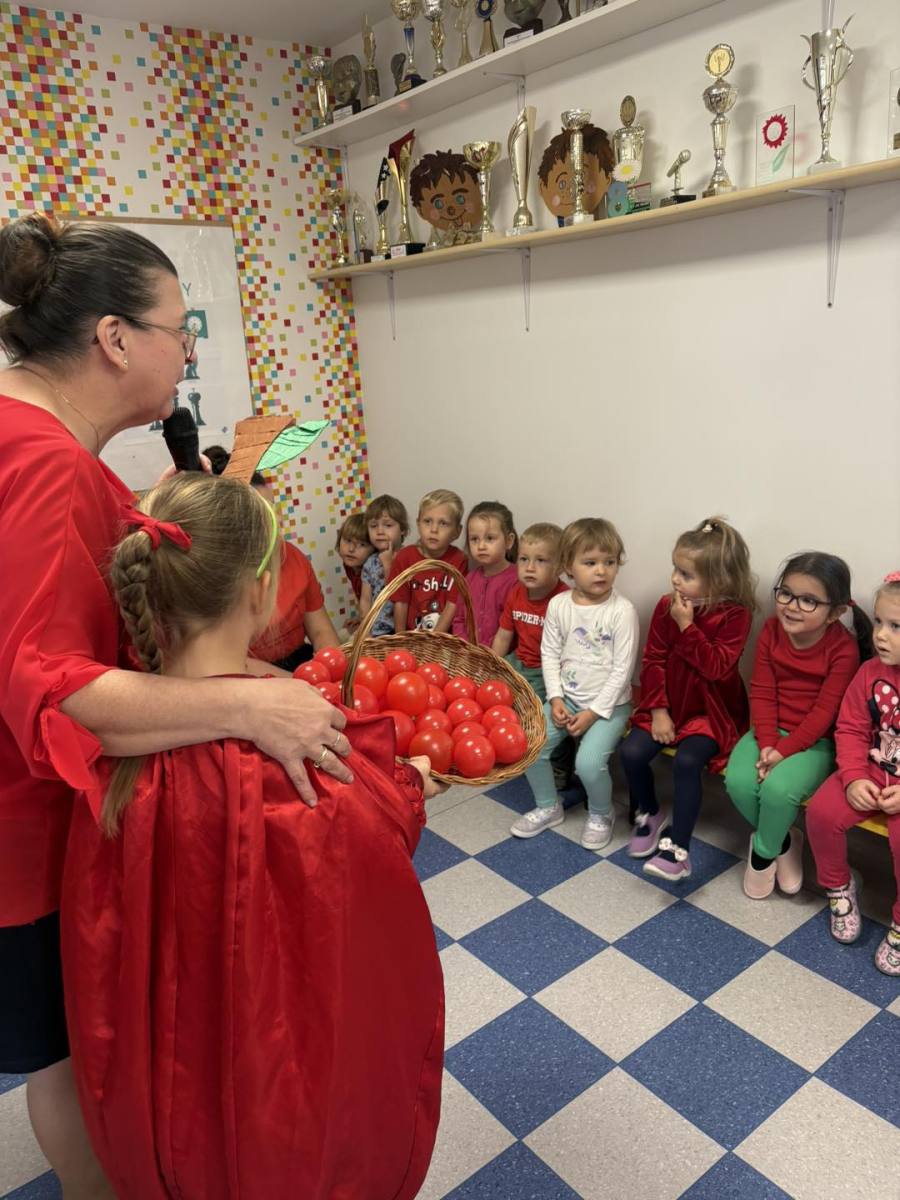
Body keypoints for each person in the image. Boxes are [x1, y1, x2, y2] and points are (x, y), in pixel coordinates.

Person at [0, 213, 350, 1198]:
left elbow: (107, 563)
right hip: (22, 841)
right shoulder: (45, 462)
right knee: (66, 1060)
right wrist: (252, 711)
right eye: (178, 329)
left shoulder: (36, 441)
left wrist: (195, 499)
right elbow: (58, 691)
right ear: (116, 339)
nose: (188, 350)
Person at [61, 473, 445, 1198]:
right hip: (273, 1066)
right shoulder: (298, 752)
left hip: (166, 1088)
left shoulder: (111, 752)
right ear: (261, 592)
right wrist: (411, 782)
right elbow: (374, 853)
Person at [725, 553, 870, 899]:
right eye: (786, 593)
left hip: (816, 743)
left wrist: (783, 751)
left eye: (808, 601)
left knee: (777, 791)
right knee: (739, 782)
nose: (791, 606)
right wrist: (767, 743)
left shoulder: (843, 649)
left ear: (835, 612)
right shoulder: (771, 630)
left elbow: (825, 713)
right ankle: (785, 841)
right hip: (768, 733)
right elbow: (762, 691)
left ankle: (762, 855)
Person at [621, 516, 755, 881]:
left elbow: (716, 668)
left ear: (718, 580)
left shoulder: (736, 615)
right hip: (667, 703)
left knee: (687, 761)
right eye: (675, 569)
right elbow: (653, 660)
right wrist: (659, 711)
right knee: (631, 753)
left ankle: (678, 849)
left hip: (711, 711)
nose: (675, 579)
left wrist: (686, 625)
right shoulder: (667, 604)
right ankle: (651, 813)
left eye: (686, 574)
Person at [511, 518, 639, 851]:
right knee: (529, 744)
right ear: (568, 566)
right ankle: (548, 806)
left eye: (609, 562)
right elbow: (549, 654)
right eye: (590, 562)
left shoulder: (622, 611)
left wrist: (594, 713)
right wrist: (555, 698)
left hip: (610, 706)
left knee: (587, 764)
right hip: (566, 699)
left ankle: (601, 813)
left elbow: (622, 671)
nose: (601, 571)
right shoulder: (559, 605)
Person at [806, 573, 900, 976]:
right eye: (878, 622)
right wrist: (855, 776)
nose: (880, 635)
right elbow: (850, 729)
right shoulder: (868, 673)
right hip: (870, 772)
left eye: (896, 626)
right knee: (821, 813)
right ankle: (839, 888)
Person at [205, 445, 341, 671]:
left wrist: (336, 673)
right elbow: (229, 665)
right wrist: (295, 684)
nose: (275, 523)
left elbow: (321, 631)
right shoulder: (214, 580)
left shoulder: (293, 557)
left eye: (273, 510)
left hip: (300, 666)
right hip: (245, 677)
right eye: (260, 515)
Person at [492, 522, 569, 700]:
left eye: (540, 560)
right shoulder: (516, 592)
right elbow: (503, 636)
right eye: (524, 559)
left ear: (560, 566)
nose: (530, 568)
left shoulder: (564, 601)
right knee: (490, 687)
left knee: (527, 702)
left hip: (545, 670)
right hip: (517, 661)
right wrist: (492, 664)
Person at [389, 488, 468, 633]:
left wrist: (434, 640)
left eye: (443, 523)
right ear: (418, 524)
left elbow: (453, 605)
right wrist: (400, 639)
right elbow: (400, 602)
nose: (434, 529)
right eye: (427, 521)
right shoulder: (404, 557)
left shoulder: (459, 560)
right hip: (411, 636)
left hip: (443, 638)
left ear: (457, 531)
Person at [452, 500, 519, 645]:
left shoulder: (517, 581)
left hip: (500, 655)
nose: (481, 546)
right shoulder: (469, 579)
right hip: (468, 652)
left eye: (490, 538)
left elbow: (515, 629)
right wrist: (465, 646)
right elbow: (459, 619)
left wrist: (488, 651)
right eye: (474, 539)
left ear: (509, 541)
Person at [359, 492, 409, 636]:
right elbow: (365, 600)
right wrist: (365, 630)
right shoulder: (370, 563)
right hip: (376, 631)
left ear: (403, 530)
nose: (380, 531)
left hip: (401, 630)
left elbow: (398, 593)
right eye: (373, 526)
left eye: (388, 525)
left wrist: (387, 564)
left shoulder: (408, 557)